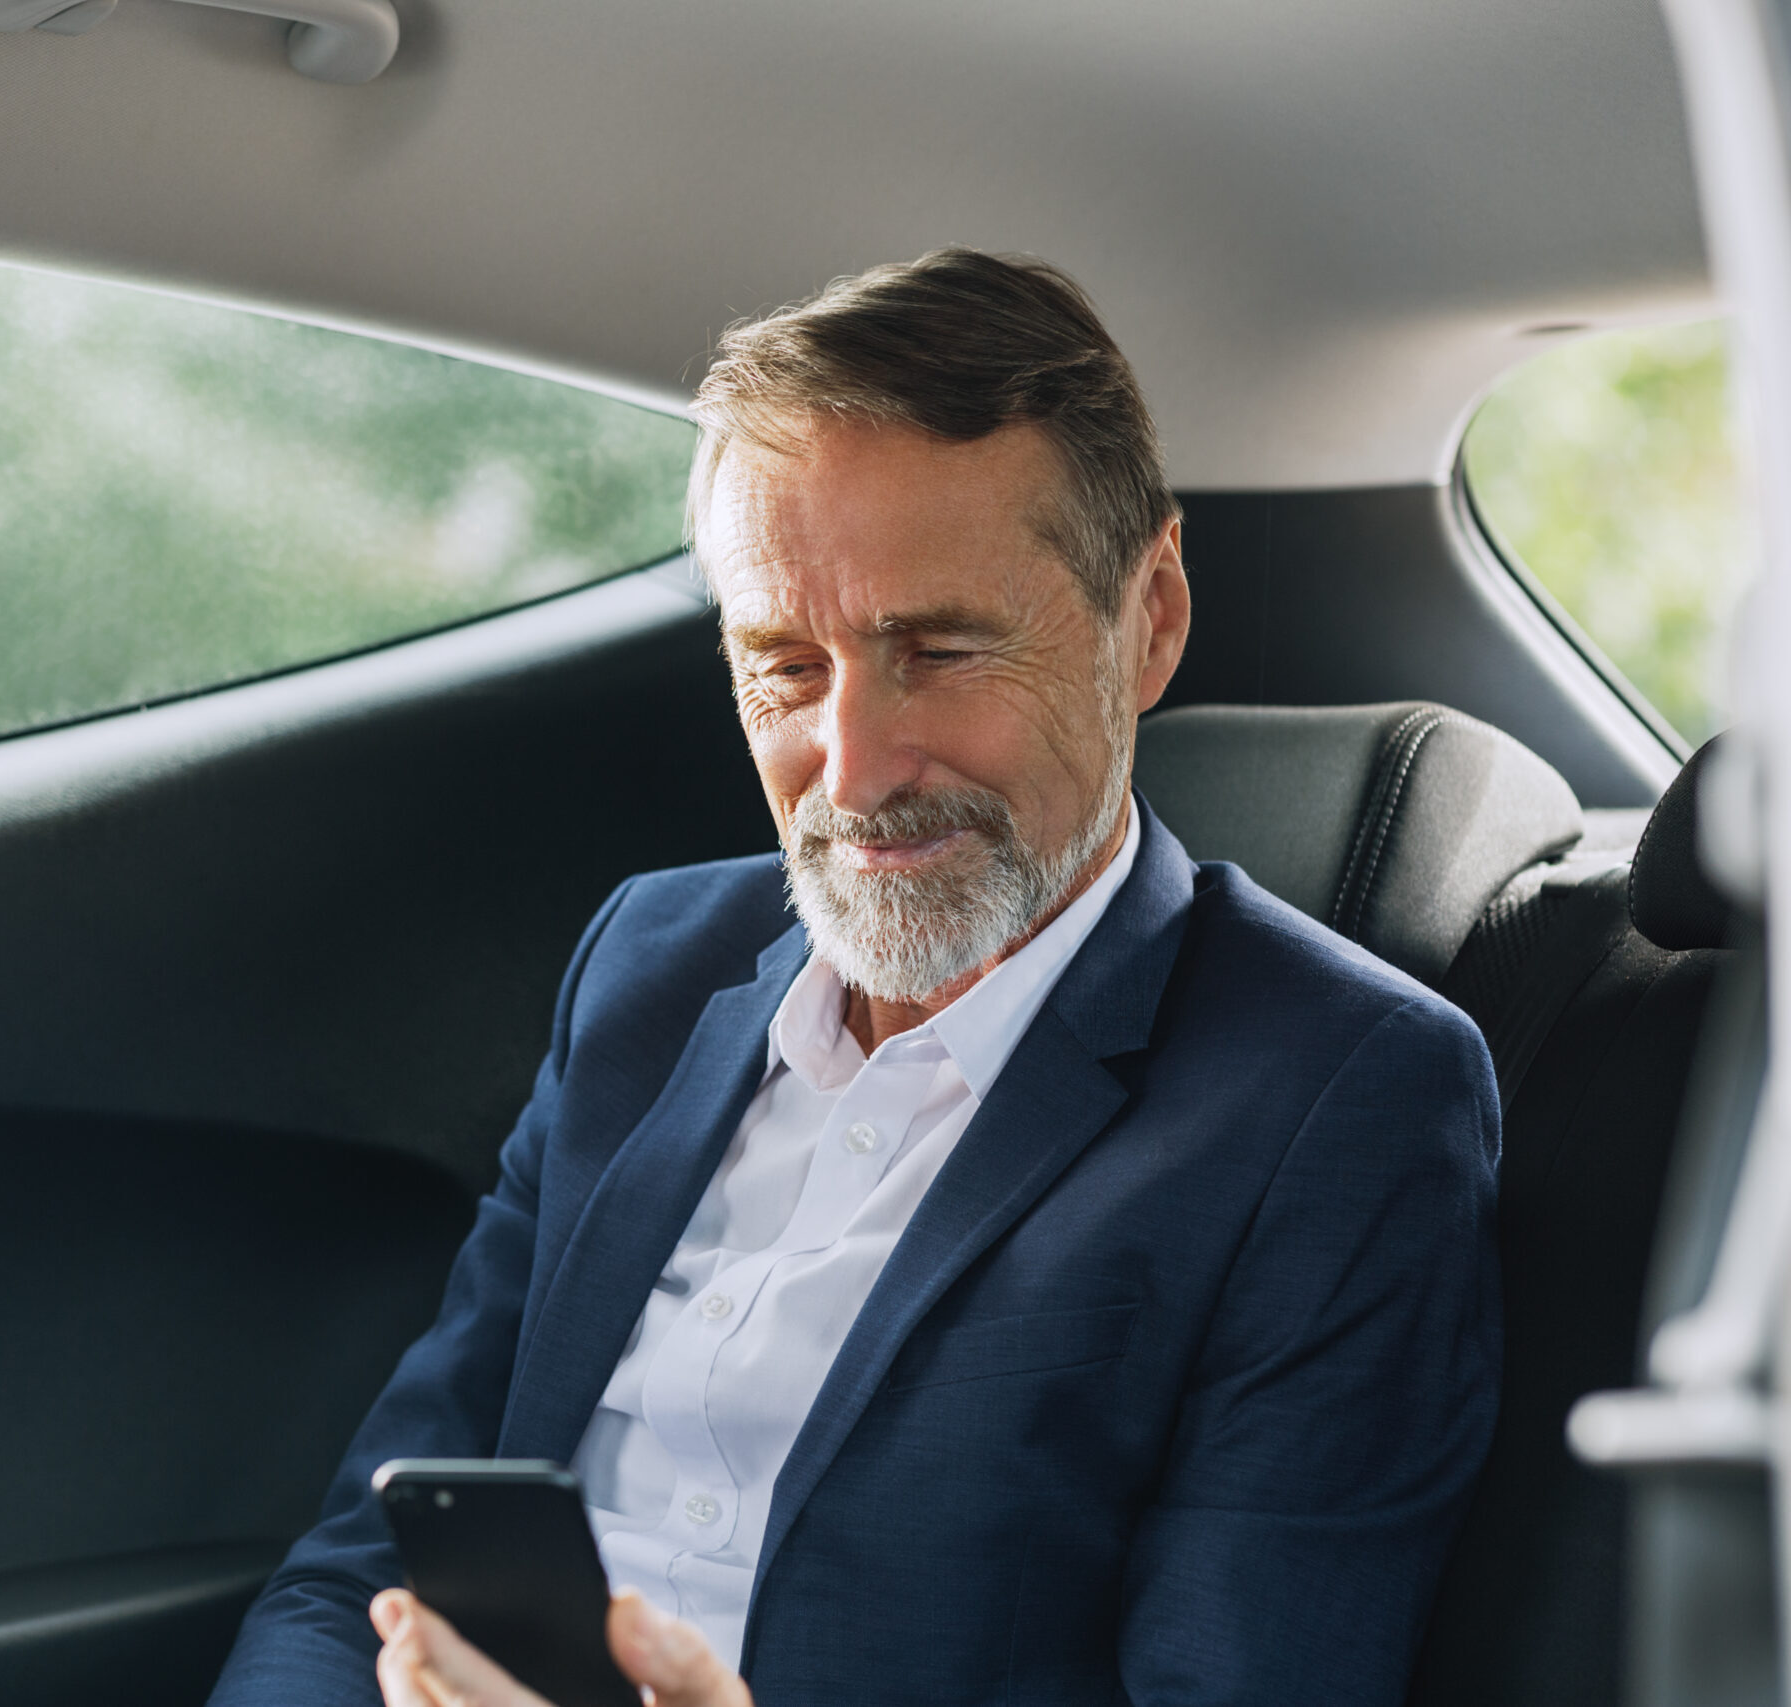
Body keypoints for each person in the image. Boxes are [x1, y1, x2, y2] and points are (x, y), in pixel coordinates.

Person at [207, 249, 1501, 1707]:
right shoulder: (645, 966)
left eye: (941, 649)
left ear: (1150, 620)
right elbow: (358, 1573)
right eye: (784, 665)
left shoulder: (1341, 1098)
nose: (856, 767)